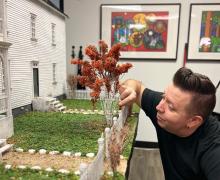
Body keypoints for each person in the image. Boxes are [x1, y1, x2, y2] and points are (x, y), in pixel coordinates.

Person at [119, 67, 220, 180]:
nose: (158, 107)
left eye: (171, 107)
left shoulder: (213, 149)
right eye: (163, 97)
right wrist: (131, 89)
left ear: (193, 121)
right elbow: (135, 85)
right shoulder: (163, 108)